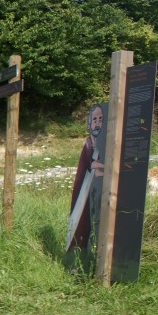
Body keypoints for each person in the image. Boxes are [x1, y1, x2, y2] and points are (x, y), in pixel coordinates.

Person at [67, 104, 106, 253]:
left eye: (100, 119)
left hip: (93, 190)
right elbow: (93, 165)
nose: (97, 122)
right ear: (89, 123)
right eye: (94, 119)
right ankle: (78, 250)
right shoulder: (89, 143)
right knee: (81, 220)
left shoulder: (100, 143)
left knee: (92, 219)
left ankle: (89, 249)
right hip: (84, 192)